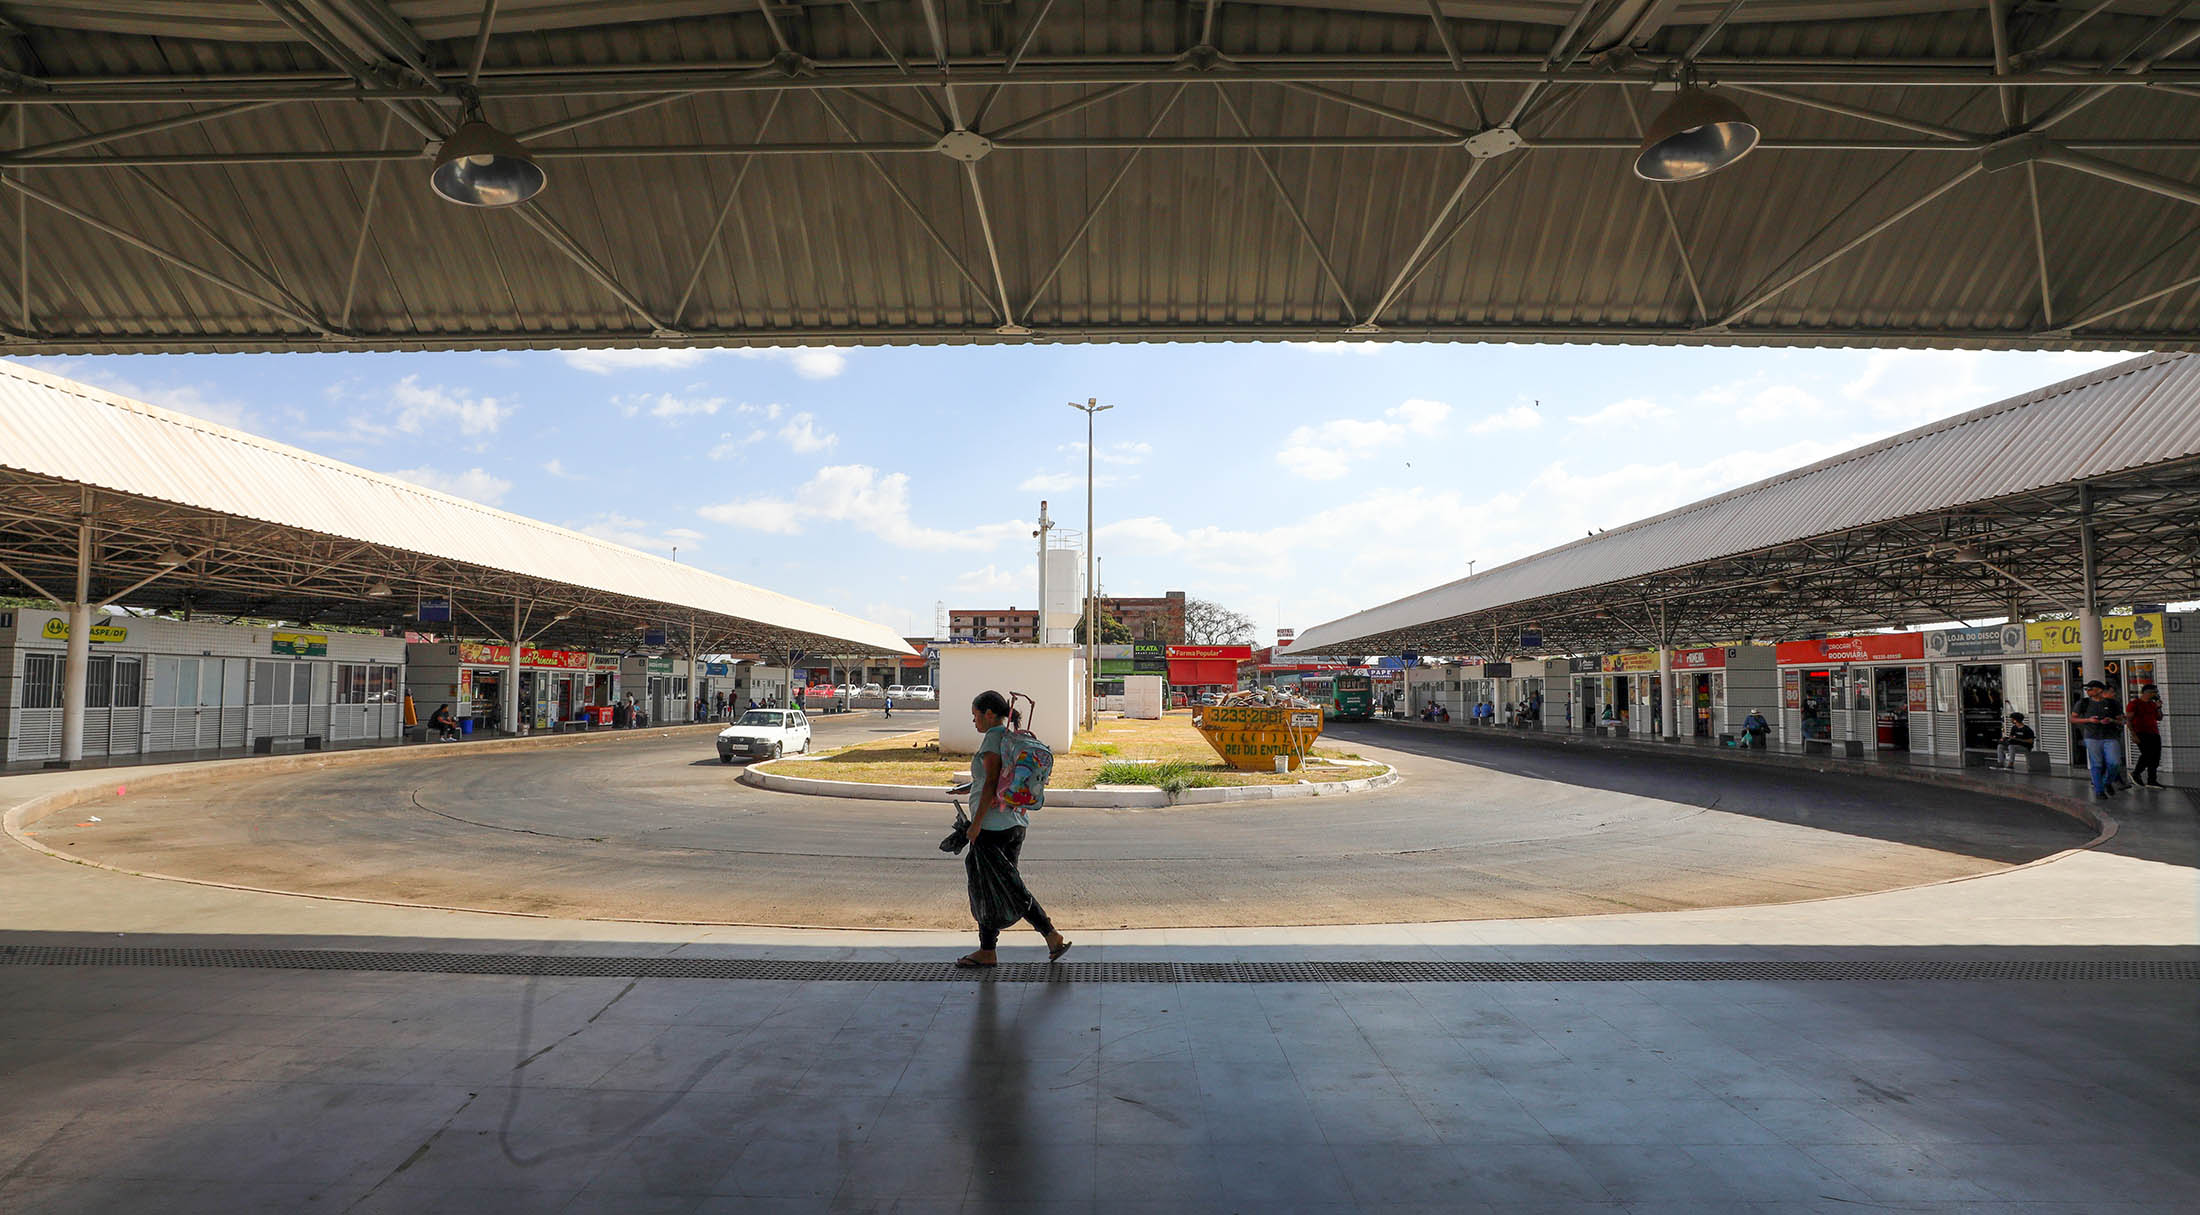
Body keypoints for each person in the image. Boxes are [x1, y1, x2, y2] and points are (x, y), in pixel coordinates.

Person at [956, 690, 1069, 969]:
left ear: (990, 714)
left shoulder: (994, 738)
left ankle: (1051, 934)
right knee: (989, 886)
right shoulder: (1010, 736)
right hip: (1015, 823)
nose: (974, 722)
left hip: (993, 827)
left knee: (1008, 887)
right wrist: (969, 787)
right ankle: (987, 950)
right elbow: (998, 779)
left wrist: (976, 825)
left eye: (976, 716)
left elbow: (993, 780)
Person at [2070, 679, 2127, 799]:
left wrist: (2111, 720)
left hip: (2111, 737)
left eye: (2090, 689)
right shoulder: (2083, 703)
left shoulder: (2113, 703)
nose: (2088, 691)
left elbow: (2121, 721)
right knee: (2096, 764)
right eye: (2086, 689)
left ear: (2100, 690)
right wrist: (2089, 720)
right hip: (2092, 737)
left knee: (2115, 763)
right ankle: (2099, 791)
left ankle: (2106, 782)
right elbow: (2073, 719)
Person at [2126, 684, 2164, 788]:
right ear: (2146, 692)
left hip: (2154, 732)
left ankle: (2152, 780)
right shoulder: (2134, 704)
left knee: (2155, 757)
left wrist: (2159, 708)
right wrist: (2133, 735)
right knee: (2147, 754)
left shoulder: (2153, 705)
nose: (2155, 694)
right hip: (2140, 732)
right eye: (2154, 692)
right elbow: (2128, 720)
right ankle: (2136, 773)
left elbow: (2159, 718)